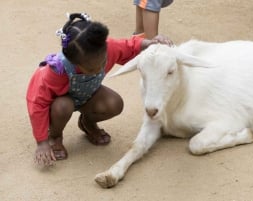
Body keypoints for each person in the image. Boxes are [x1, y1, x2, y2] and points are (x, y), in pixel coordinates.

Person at [26, 13, 172, 167]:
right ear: (74, 62)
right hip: (60, 104)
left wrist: (150, 43)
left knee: (114, 103)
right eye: (91, 68)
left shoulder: (108, 49)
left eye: (102, 62)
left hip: (86, 96)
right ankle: (54, 137)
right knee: (63, 106)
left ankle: (88, 123)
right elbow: (37, 103)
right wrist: (41, 142)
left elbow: (130, 46)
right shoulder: (56, 71)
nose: (98, 69)